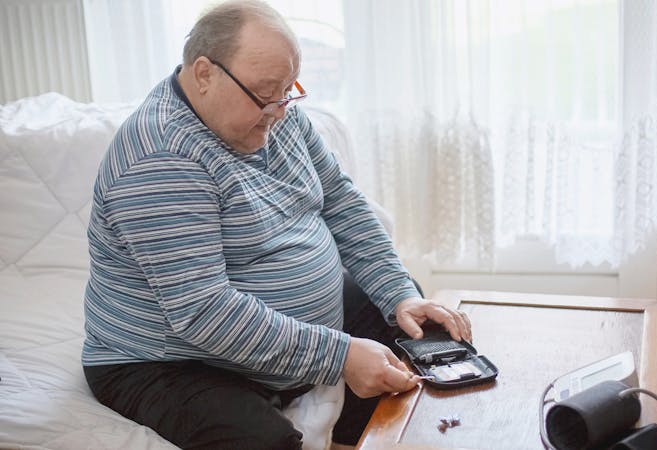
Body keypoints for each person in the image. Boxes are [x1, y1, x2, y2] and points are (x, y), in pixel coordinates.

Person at [80, 1, 472, 449]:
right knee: (264, 441)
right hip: (171, 360)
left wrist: (397, 291)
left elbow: (342, 203)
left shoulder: (273, 113)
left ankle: (357, 435)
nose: (281, 109)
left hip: (263, 331)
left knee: (410, 318)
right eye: (267, 93)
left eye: (288, 89)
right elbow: (204, 312)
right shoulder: (161, 160)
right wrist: (338, 355)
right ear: (205, 74)